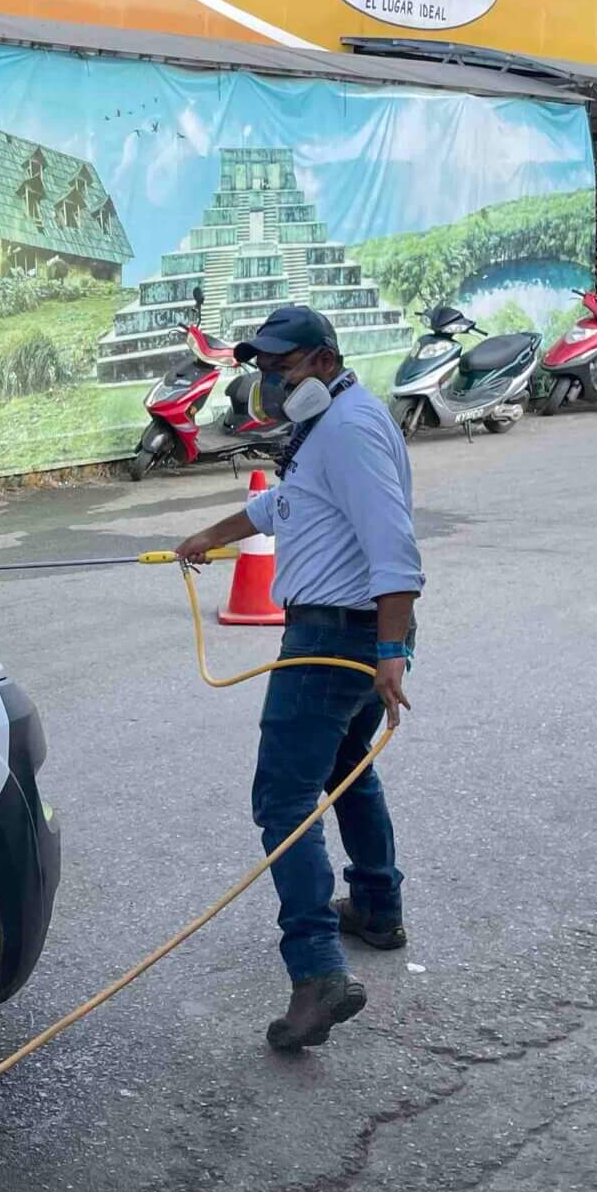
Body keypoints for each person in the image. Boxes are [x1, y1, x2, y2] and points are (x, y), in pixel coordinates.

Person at [174, 306, 423, 1054]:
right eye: (263, 369)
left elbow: (395, 544)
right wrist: (211, 535)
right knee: (349, 771)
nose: (270, 383)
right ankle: (376, 908)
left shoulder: (348, 429)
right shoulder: (331, 423)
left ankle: (317, 972)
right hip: (345, 634)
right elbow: (286, 504)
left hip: (333, 638)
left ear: (322, 361)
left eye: (281, 368)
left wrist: (391, 648)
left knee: (284, 801)